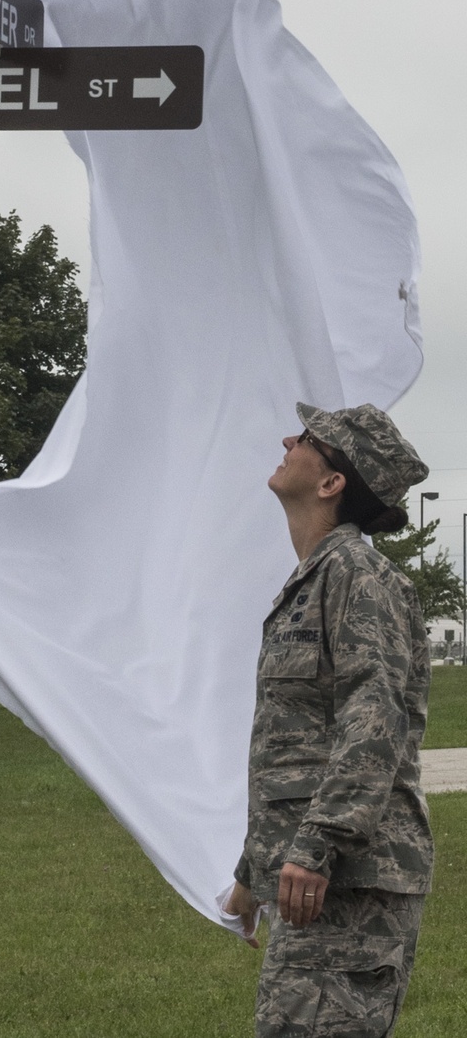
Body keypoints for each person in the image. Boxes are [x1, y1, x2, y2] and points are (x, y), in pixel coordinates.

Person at [225, 401, 434, 1038]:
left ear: (331, 482)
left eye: (309, 438)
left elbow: (374, 724)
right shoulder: (315, 580)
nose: (289, 438)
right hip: (320, 877)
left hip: (349, 878)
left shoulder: (358, 577)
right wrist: (250, 872)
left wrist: (315, 848)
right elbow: (301, 746)